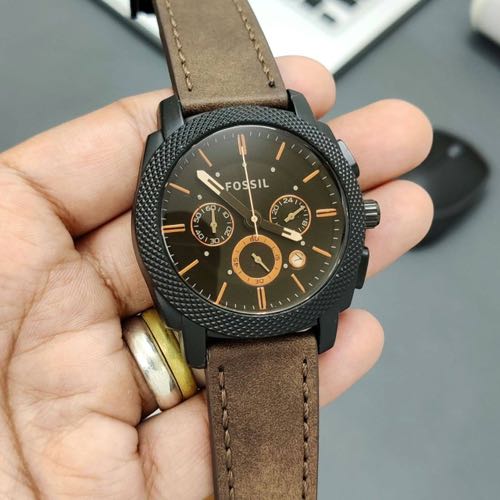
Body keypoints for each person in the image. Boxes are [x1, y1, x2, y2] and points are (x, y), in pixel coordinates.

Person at [0, 56, 433, 498]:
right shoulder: (189, 136)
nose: (255, 227)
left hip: (299, 307)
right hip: (216, 317)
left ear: (360, 215)